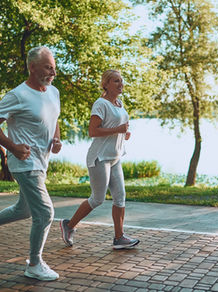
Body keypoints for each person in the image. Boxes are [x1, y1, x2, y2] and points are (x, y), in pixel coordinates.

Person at [0, 46, 62, 281]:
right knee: (45, 213)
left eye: (54, 68)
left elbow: (54, 118)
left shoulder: (53, 92)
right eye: (48, 67)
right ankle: (34, 263)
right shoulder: (17, 95)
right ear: (32, 67)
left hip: (41, 161)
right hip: (24, 162)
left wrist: (56, 138)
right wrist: (12, 147)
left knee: (23, 210)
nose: (53, 72)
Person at [60, 69, 139, 250]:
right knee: (97, 199)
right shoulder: (100, 104)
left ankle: (119, 238)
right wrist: (117, 130)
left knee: (120, 198)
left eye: (121, 80)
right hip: (99, 158)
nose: (121, 84)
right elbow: (93, 131)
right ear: (106, 84)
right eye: (116, 81)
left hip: (115, 157)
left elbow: (117, 127)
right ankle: (68, 225)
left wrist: (124, 133)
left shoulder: (119, 103)